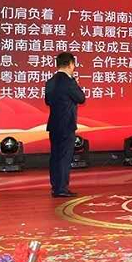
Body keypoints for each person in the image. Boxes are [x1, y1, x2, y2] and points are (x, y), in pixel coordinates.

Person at [45, 52, 86, 197]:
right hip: (66, 124)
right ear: (70, 64)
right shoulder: (69, 82)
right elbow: (81, 98)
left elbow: (47, 101)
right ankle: (61, 188)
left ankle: (56, 186)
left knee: (55, 156)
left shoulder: (50, 81)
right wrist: (73, 80)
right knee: (64, 156)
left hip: (54, 124)